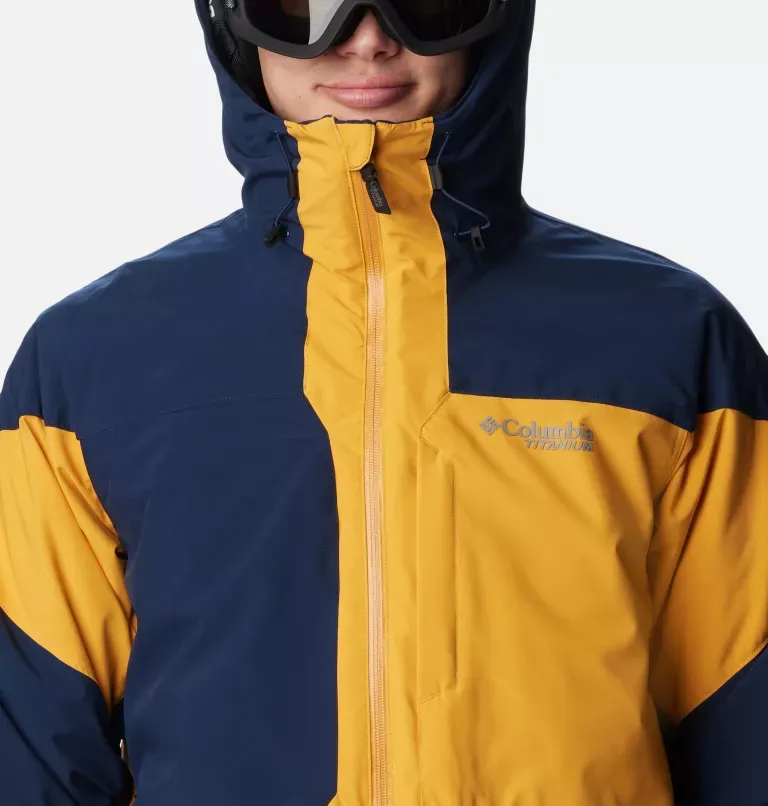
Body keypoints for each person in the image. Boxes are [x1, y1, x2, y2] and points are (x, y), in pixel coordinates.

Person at [0, 1, 765, 804]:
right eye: (304, 5)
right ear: (232, 23)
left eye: (426, 0)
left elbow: (746, 715)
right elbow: (35, 749)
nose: (367, 39)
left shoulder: (669, 341)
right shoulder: (91, 359)